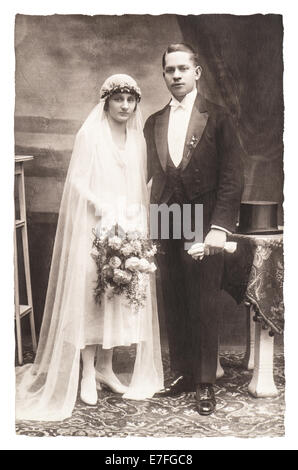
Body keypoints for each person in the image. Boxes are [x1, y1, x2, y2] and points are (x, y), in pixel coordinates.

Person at [15, 74, 163, 422]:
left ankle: (107, 369)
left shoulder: (136, 138)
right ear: (106, 102)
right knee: (93, 297)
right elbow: (77, 181)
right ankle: (86, 372)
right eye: (119, 100)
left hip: (125, 224)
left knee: (117, 296)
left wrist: (135, 226)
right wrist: (100, 204)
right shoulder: (90, 135)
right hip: (94, 227)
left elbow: (140, 183)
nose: (125, 106)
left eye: (130, 100)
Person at [144, 43, 244, 415]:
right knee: (174, 296)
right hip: (167, 217)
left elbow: (233, 178)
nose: (177, 76)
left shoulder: (217, 117)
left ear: (197, 73)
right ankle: (184, 373)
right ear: (164, 75)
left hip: (204, 217)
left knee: (203, 298)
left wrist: (219, 228)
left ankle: (205, 383)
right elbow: (152, 176)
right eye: (170, 70)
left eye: (183, 69)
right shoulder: (154, 121)